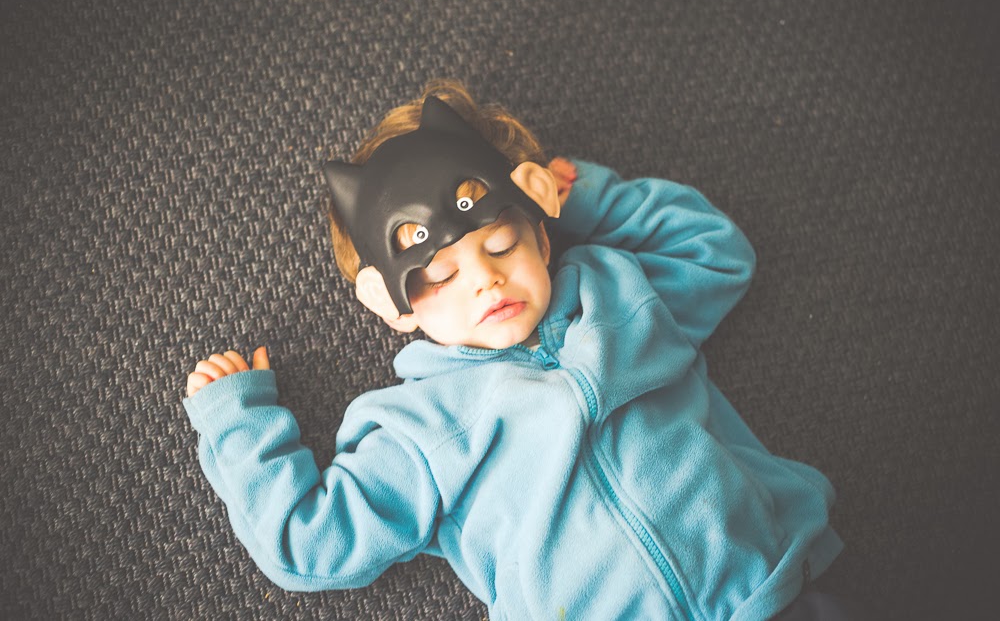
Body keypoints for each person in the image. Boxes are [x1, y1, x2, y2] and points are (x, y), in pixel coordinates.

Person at [183, 80, 848, 620]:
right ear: (393, 304)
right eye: (442, 276)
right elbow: (311, 544)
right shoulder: (419, 427)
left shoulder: (614, 294)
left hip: (772, 590)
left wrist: (583, 199)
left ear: (540, 230)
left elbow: (715, 251)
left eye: (501, 244)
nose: (486, 279)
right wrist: (242, 425)